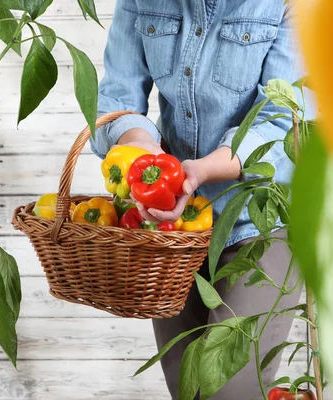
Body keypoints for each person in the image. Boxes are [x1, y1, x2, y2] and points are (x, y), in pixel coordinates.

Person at [90, 1, 313, 398]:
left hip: (260, 222)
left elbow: (285, 125)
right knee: (187, 390)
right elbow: (117, 96)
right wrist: (145, 154)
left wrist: (203, 170)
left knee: (232, 391)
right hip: (175, 230)